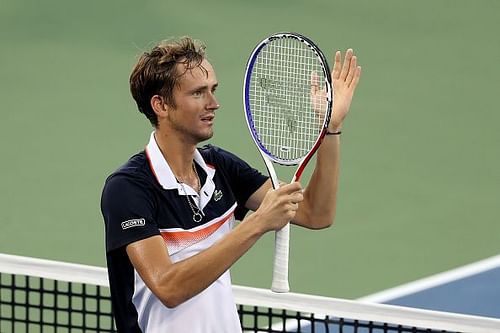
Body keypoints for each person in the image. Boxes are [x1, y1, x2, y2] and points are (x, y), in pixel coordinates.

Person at [101, 36, 361, 333]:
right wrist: (258, 223)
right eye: (198, 93)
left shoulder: (220, 168)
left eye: (213, 90)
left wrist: (330, 128)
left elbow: (316, 213)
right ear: (160, 105)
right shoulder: (128, 189)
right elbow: (168, 287)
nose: (214, 104)